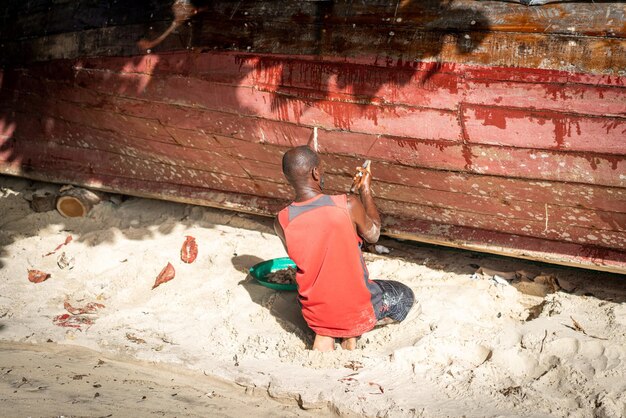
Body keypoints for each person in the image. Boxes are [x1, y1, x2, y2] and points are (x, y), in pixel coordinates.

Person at [274, 146, 415, 351]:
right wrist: (364, 190)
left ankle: (325, 334)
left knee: (321, 290)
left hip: (315, 314)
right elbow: (373, 234)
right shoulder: (347, 204)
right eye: (320, 169)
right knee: (403, 294)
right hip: (356, 311)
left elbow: (311, 252)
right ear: (315, 172)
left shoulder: (281, 220)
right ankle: (351, 335)